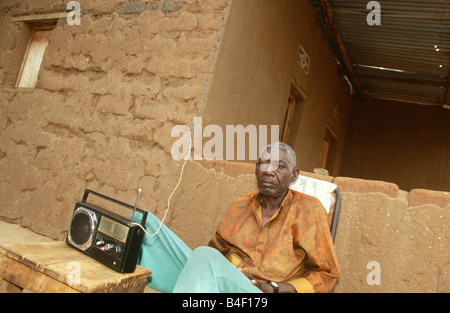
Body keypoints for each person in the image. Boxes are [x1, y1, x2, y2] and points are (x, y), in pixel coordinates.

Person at [135, 142, 339, 293]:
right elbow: (213, 254)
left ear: (294, 175)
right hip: (226, 284)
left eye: (279, 166)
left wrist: (278, 288)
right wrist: (232, 270)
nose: (268, 171)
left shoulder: (309, 211)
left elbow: (327, 274)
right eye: (263, 164)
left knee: (205, 257)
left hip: (263, 293)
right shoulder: (239, 207)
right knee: (142, 223)